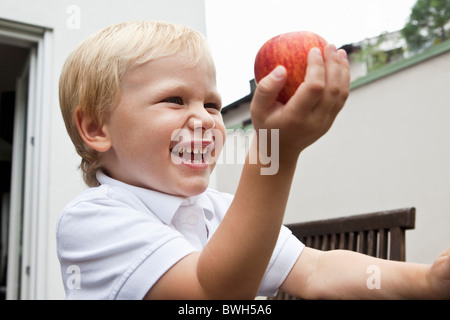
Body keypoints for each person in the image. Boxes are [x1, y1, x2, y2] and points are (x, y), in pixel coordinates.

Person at [57, 20, 450, 300]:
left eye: (212, 103)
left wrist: (428, 281)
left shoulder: (223, 209)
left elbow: (316, 272)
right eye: (174, 99)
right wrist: (274, 149)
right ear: (96, 128)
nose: (206, 118)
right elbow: (213, 294)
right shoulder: (93, 218)